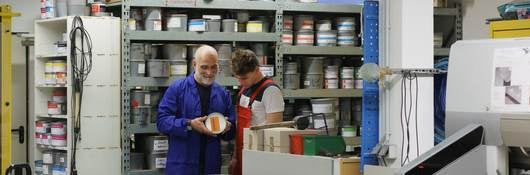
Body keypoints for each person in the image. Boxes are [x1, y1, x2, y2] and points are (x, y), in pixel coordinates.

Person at [157, 45, 235, 175]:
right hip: (182, 165)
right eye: (204, 67)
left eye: (213, 67)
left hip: (211, 165)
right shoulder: (177, 89)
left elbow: (232, 130)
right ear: (194, 64)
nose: (209, 72)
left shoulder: (223, 94)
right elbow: (162, 122)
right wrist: (189, 124)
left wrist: (227, 128)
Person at [230, 49, 285, 175]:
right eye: (238, 78)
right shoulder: (244, 89)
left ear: (256, 69)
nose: (241, 82)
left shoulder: (271, 91)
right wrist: (235, 156)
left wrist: (266, 164)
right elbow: (240, 128)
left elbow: (274, 132)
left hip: (260, 156)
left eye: (244, 78)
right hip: (242, 152)